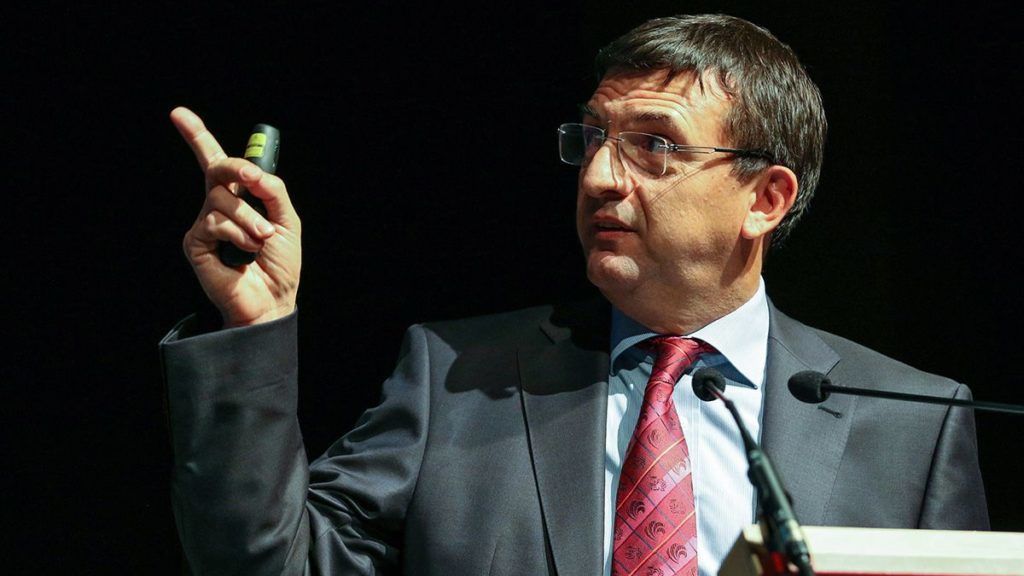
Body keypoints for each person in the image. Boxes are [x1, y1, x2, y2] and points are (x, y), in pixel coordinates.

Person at [161, 14, 988, 576]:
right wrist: (253, 328)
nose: (598, 178)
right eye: (593, 139)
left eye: (654, 146)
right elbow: (272, 563)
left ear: (765, 199)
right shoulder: (458, 378)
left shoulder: (911, 423)